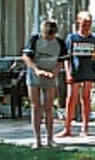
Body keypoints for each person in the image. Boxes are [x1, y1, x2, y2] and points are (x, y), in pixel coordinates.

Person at [59, 11, 95, 137]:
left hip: (88, 71)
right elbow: (66, 57)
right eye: (84, 23)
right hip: (75, 71)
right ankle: (67, 128)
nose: (86, 27)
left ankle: (85, 128)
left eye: (89, 24)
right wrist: (68, 73)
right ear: (78, 22)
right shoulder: (72, 38)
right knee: (71, 98)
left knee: (86, 98)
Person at [22, 19, 68, 149]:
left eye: (51, 36)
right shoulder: (35, 40)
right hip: (35, 75)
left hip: (50, 75)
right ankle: (37, 139)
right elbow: (26, 57)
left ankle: (50, 138)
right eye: (47, 36)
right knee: (36, 106)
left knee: (48, 107)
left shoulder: (59, 43)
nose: (49, 39)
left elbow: (61, 61)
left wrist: (54, 72)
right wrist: (36, 70)